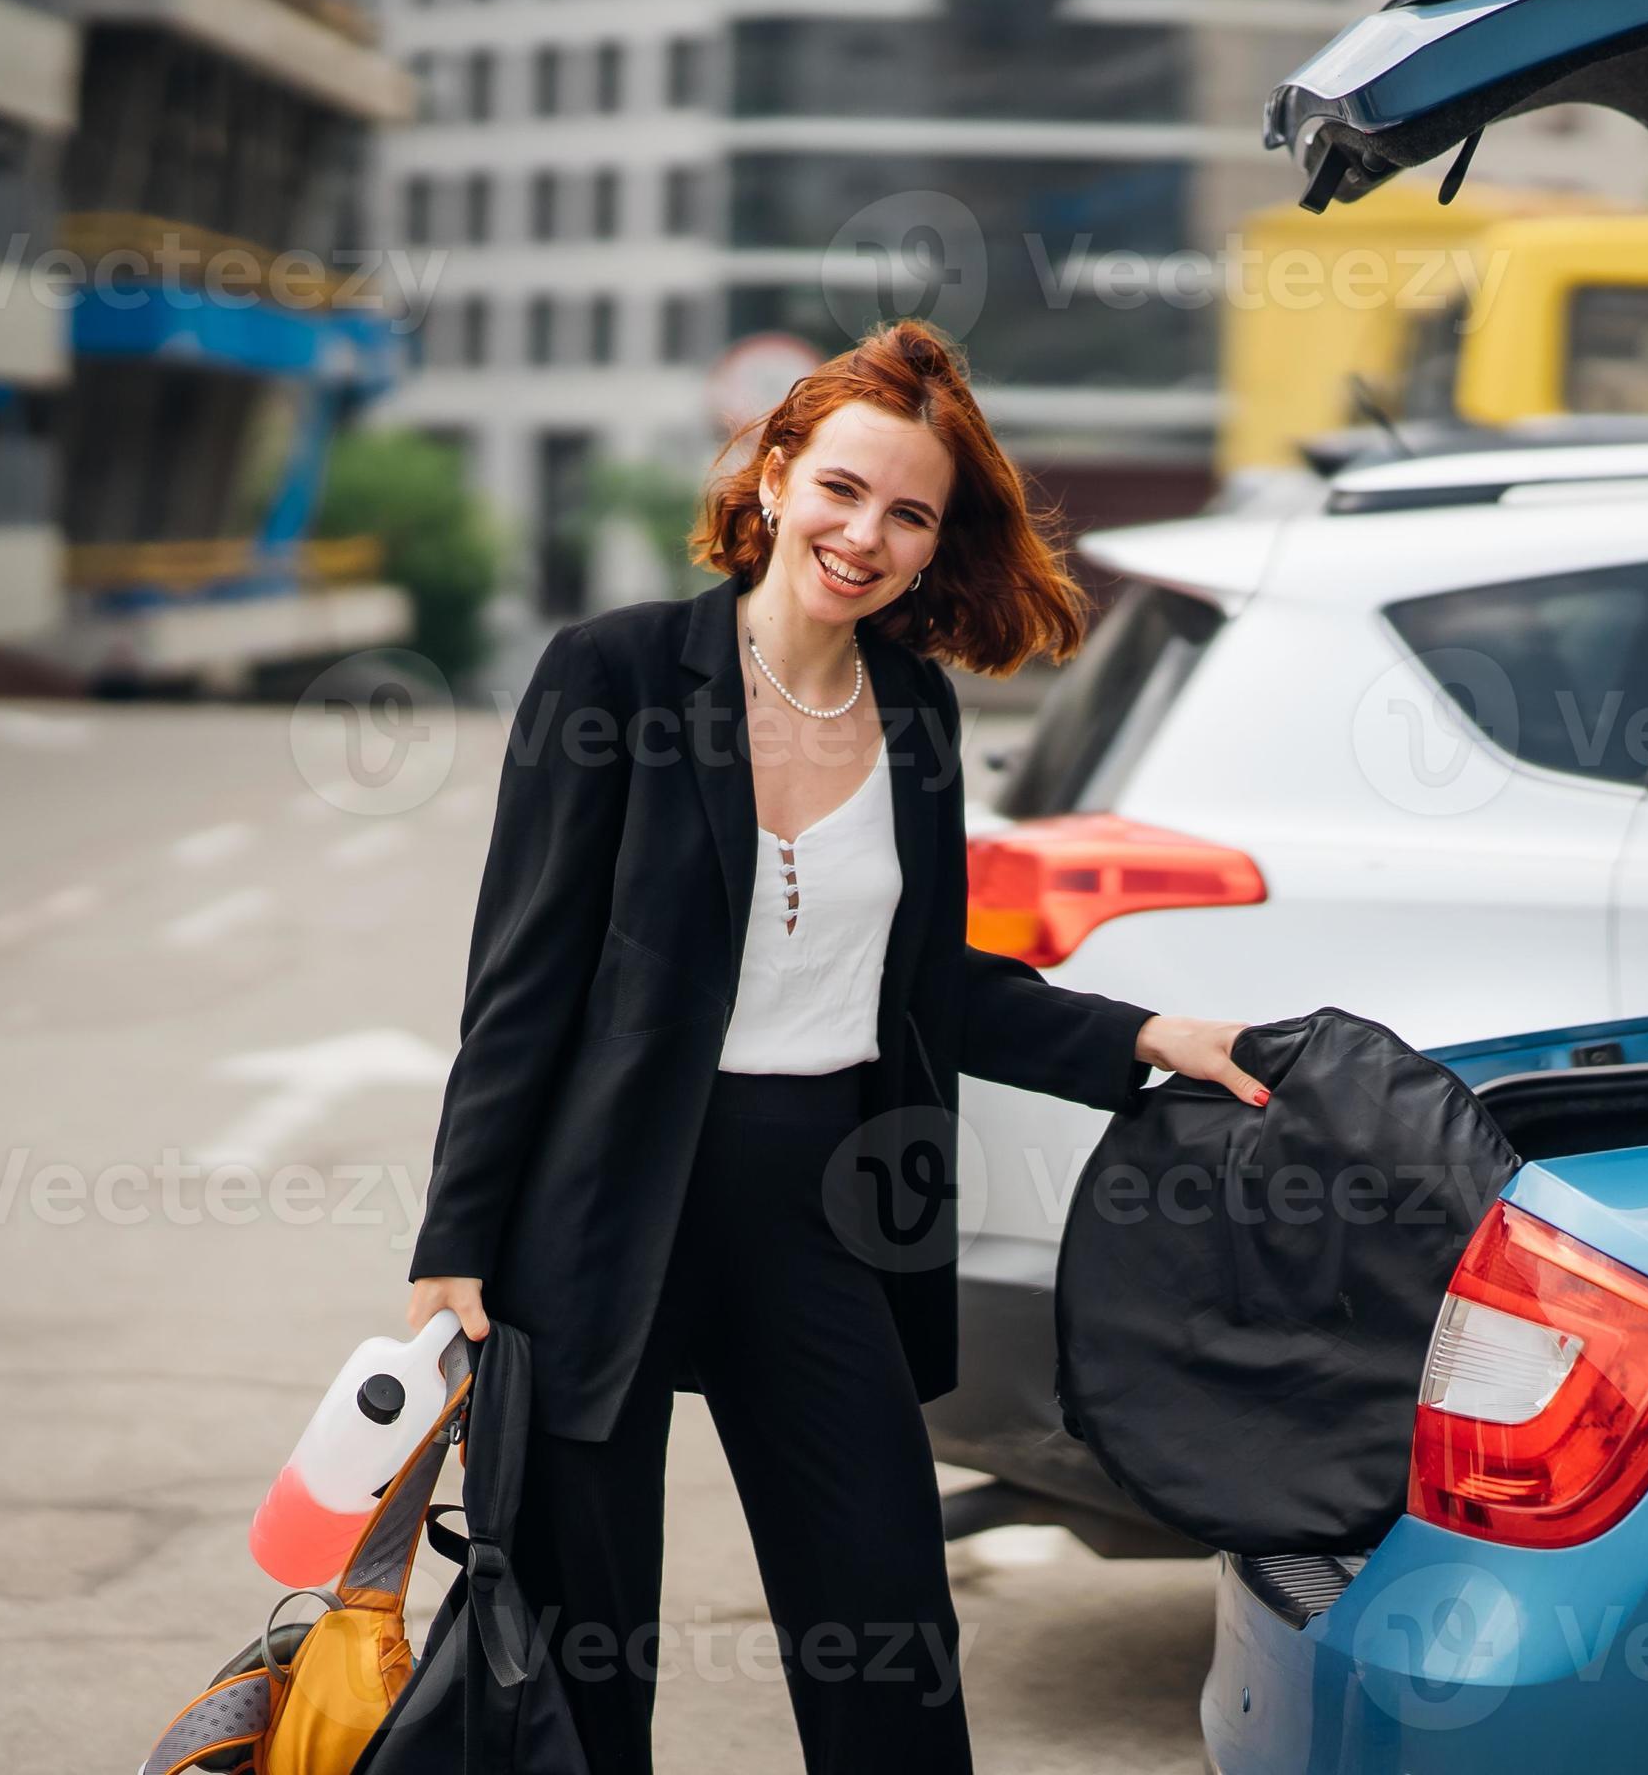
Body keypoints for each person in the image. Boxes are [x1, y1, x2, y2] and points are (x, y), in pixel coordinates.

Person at [402, 319, 1269, 1774]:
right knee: (575, 1650)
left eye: (909, 514)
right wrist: (454, 1243)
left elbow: (935, 987)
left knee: (885, 1631)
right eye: (843, 490)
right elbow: (523, 988)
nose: (864, 535)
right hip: (599, 1213)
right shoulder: (608, 679)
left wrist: (1154, 1037)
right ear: (774, 475)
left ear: (935, 546)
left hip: (824, 1210)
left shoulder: (916, 715)